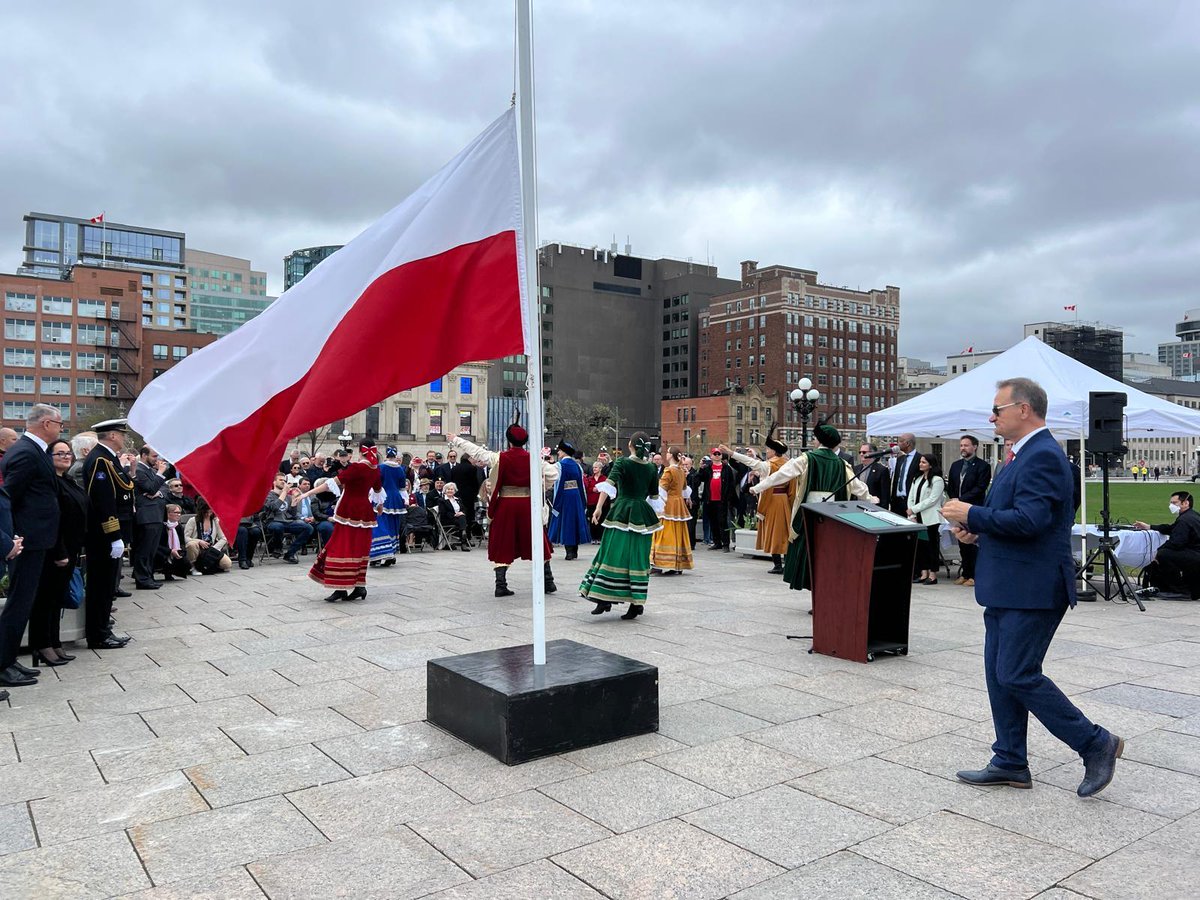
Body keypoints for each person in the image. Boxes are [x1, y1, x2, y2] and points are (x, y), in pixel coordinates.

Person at [942, 377, 1122, 798]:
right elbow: (1020, 520)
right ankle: (1010, 760)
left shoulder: (1043, 456)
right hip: (1008, 584)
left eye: (997, 409)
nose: (992, 416)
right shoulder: (1021, 456)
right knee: (999, 675)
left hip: (1033, 588)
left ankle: (1096, 743)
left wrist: (972, 512)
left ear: (1024, 409)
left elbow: (1032, 521)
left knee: (1017, 673)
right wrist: (977, 531)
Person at [751, 419, 875, 597]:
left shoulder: (807, 459)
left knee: (809, 553)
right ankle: (825, 592)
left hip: (809, 516)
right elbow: (858, 487)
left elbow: (779, 476)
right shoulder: (842, 464)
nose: (813, 441)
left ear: (821, 440)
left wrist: (757, 488)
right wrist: (871, 499)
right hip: (834, 517)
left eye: (815, 438)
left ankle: (815, 591)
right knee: (827, 554)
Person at [451, 412, 558, 597]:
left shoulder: (501, 457)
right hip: (527, 505)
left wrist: (457, 440)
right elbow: (552, 474)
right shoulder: (533, 459)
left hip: (506, 505)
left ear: (509, 440)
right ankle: (548, 581)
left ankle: (500, 585)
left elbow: (477, 452)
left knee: (504, 541)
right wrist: (540, 488)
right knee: (536, 539)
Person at [0, 404, 65, 686]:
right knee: (18, 602)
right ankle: (3, 664)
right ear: (48, 424)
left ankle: (10, 659)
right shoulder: (25, 452)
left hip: (37, 539)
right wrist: (12, 537)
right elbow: (7, 498)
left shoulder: (34, 450)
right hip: (26, 540)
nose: (61, 429)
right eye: (60, 424)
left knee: (26, 602)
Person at [580, 433, 662, 618]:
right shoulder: (650, 468)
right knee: (637, 558)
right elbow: (654, 497)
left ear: (630, 444)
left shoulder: (623, 463)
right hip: (642, 514)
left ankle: (605, 598)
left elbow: (608, 485)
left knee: (611, 552)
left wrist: (598, 508)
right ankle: (634, 602)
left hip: (622, 511)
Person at [25, 438, 85, 667]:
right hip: (55, 549)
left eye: (68, 453)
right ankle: (42, 645)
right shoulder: (51, 484)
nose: (66, 456)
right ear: (48, 458)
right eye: (59, 454)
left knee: (57, 598)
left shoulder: (67, 480)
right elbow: (53, 519)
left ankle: (55, 641)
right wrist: (60, 551)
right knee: (46, 599)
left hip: (72, 547)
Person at [81, 419, 136, 650]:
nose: (123, 438)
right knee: (101, 585)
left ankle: (103, 628)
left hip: (111, 531)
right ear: (112, 435)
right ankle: (98, 634)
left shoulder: (107, 458)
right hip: (103, 534)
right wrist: (113, 535)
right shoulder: (100, 460)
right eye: (121, 434)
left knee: (106, 585)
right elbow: (102, 500)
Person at [308, 440, 384, 601]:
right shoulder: (375, 469)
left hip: (349, 511)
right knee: (359, 549)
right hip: (365, 513)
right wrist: (380, 508)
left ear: (359, 451)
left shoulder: (356, 467)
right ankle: (359, 586)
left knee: (341, 547)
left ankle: (340, 588)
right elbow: (378, 492)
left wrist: (306, 494)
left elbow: (331, 484)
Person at [722, 425, 794, 574]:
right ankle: (786, 563)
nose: (766, 452)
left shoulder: (768, 465)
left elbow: (750, 462)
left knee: (774, 532)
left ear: (774, 451)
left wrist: (730, 453)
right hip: (785, 501)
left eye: (768, 449)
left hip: (772, 500)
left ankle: (778, 565)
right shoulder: (788, 464)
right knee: (784, 532)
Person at [1134, 491, 1200, 598]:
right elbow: (1172, 528)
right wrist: (1149, 526)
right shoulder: (1191, 516)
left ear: (1185, 503)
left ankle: (1180, 590)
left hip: (1195, 556)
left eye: (1175, 503)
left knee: (1164, 555)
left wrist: (1158, 552)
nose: (1171, 506)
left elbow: (1176, 543)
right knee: (1165, 553)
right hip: (1195, 553)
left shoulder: (1184, 520)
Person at [947, 435, 992, 587]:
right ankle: (965, 573)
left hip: (974, 508)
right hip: (958, 509)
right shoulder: (956, 465)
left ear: (975, 447)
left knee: (973, 542)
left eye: (966, 445)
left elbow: (980, 488)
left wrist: (961, 499)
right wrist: (954, 498)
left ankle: (974, 575)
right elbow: (951, 485)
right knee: (962, 542)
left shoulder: (982, 466)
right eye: (961, 445)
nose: (963, 448)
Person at [649, 446, 693, 575]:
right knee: (677, 532)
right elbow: (685, 491)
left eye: (667, 452)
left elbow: (661, 490)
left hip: (669, 504)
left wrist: (654, 502)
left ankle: (661, 563)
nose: (666, 454)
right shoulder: (680, 470)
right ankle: (677, 564)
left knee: (664, 532)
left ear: (671, 455)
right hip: (678, 503)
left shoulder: (669, 470)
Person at [132, 445, 169, 590]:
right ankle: (142, 579)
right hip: (146, 515)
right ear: (143, 455)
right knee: (144, 549)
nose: (157, 460)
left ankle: (148, 576)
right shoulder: (139, 470)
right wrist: (160, 474)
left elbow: (165, 488)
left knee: (152, 549)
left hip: (156, 514)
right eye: (154, 456)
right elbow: (150, 487)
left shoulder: (150, 471)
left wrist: (158, 492)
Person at [907, 453, 946, 585]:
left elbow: (932, 500)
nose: (920, 464)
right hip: (917, 517)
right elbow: (911, 497)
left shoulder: (937, 480)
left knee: (932, 546)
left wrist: (915, 509)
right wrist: (911, 513)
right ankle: (924, 573)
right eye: (920, 462)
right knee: (921, 546)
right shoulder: (917, 479)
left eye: (924, 462)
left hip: (930, 518)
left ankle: (933, 574)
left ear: (931, 464)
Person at [548, 440, 590, 560]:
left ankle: (569, 552)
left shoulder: (559, 465)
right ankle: (574, 550)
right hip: (576, 495)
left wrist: (557, 500)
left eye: (560, 451)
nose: (559, 453)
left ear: (564, 452)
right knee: (575, 521)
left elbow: (557, 482)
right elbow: (581, 484)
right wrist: (583, 501)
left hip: (565, 495)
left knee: (567, 523)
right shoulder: (577, 466)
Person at [696, 449, 738, 552]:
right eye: (715, 454)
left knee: (723, 521)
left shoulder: (726, 468)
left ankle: (726, 544)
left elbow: (730, 484)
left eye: (719, 454)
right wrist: (701, 469)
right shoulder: (708, 468)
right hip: (710, 499)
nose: (717, 455)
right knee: (713, 521)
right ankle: (717, 542)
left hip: (722, 500)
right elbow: (700, 479)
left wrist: (728, 497)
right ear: (711, 456)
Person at [184, 498, 232, 572]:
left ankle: (206, 566)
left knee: (227, 564)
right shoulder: (193, 520)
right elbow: (186, 537)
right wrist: (199, 541)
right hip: (197, 548)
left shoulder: (216, 521)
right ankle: (193, 566)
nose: (209, 513)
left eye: (211, 510)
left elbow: (223, 538)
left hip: (210, 548)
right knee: (191, 544)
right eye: (206, 511)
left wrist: (214, 549)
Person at [889, 433, 919, 516]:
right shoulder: (900, 459)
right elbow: (896, 479)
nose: (898, 444)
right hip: (896, 502)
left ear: (907, 443)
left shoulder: (920, 459)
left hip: (911, 501)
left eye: (900, 441)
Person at [158, 504, 192, 580]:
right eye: (176, 512)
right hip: (161, 551)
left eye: (179, 512)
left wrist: (180, 551)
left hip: (175, 551)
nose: (178, 515)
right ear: (167, 514)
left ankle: (170, 572)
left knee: (186, 562)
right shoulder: (161, 526)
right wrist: (170, 551)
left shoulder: (178, 526)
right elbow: (157, 545)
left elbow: (182, 542)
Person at [858, 443, 892, 508]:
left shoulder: (882, 470)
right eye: (860, 452)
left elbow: (885, 495)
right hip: (856, 507)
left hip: (873, 508)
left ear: (873, 453)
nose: (861, 454)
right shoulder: (856, 469)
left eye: (864, 452)